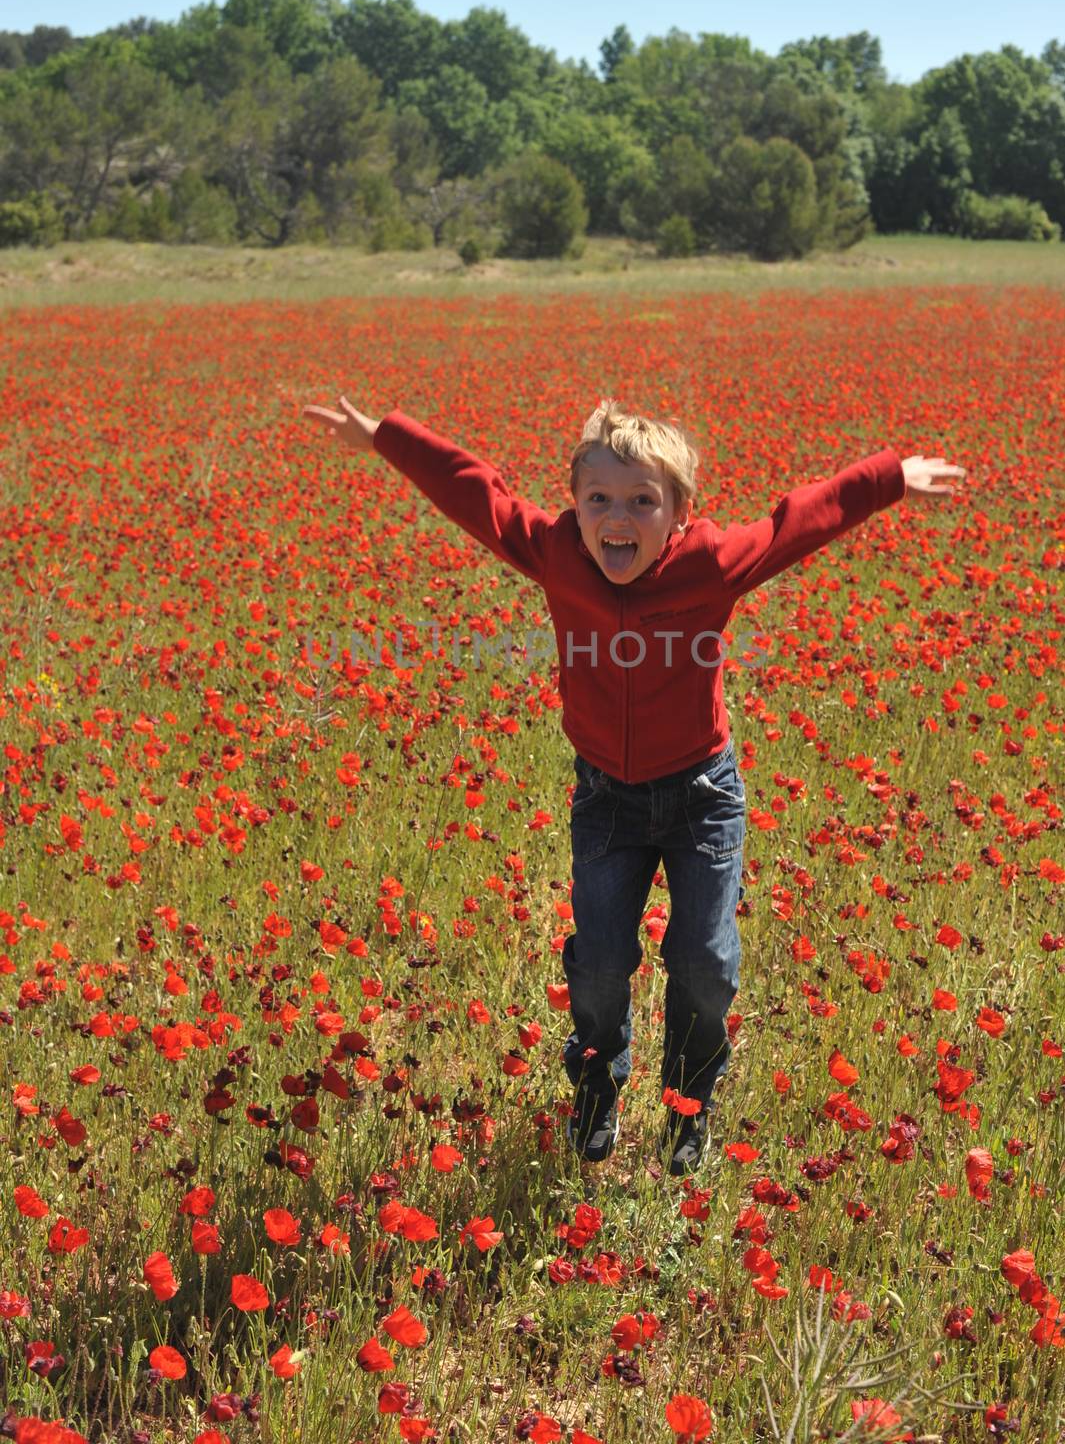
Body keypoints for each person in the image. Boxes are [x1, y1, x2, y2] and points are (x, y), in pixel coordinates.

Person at [303, 394, 966, 1175]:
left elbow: (798, 520)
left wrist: (886, 477)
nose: (617, 516)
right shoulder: (556, 553)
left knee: (704, 963)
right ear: (575, 507)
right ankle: (595, 1085)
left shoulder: (711, 562)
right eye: (599, 500)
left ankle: (688, 1104)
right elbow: (475, 493)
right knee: (597, 963)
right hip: (607, 799)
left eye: (642, 501)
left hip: (700, 797)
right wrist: (386, 437)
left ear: (679, 512)